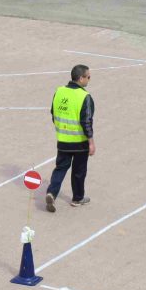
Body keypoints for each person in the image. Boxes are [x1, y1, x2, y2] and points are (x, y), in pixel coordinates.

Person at [46, 65, 95, 210]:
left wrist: (61, 129)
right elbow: (86, 122)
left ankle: (51, 193)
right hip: (79, 142)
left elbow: (53, 113)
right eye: (88, 77)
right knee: (79, 172)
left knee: (60, 169)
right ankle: (77, 198)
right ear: (81, 78)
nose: (89, 79)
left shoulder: (59, 91)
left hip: (62, 140)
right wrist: (91, 142)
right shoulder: (84, 97)